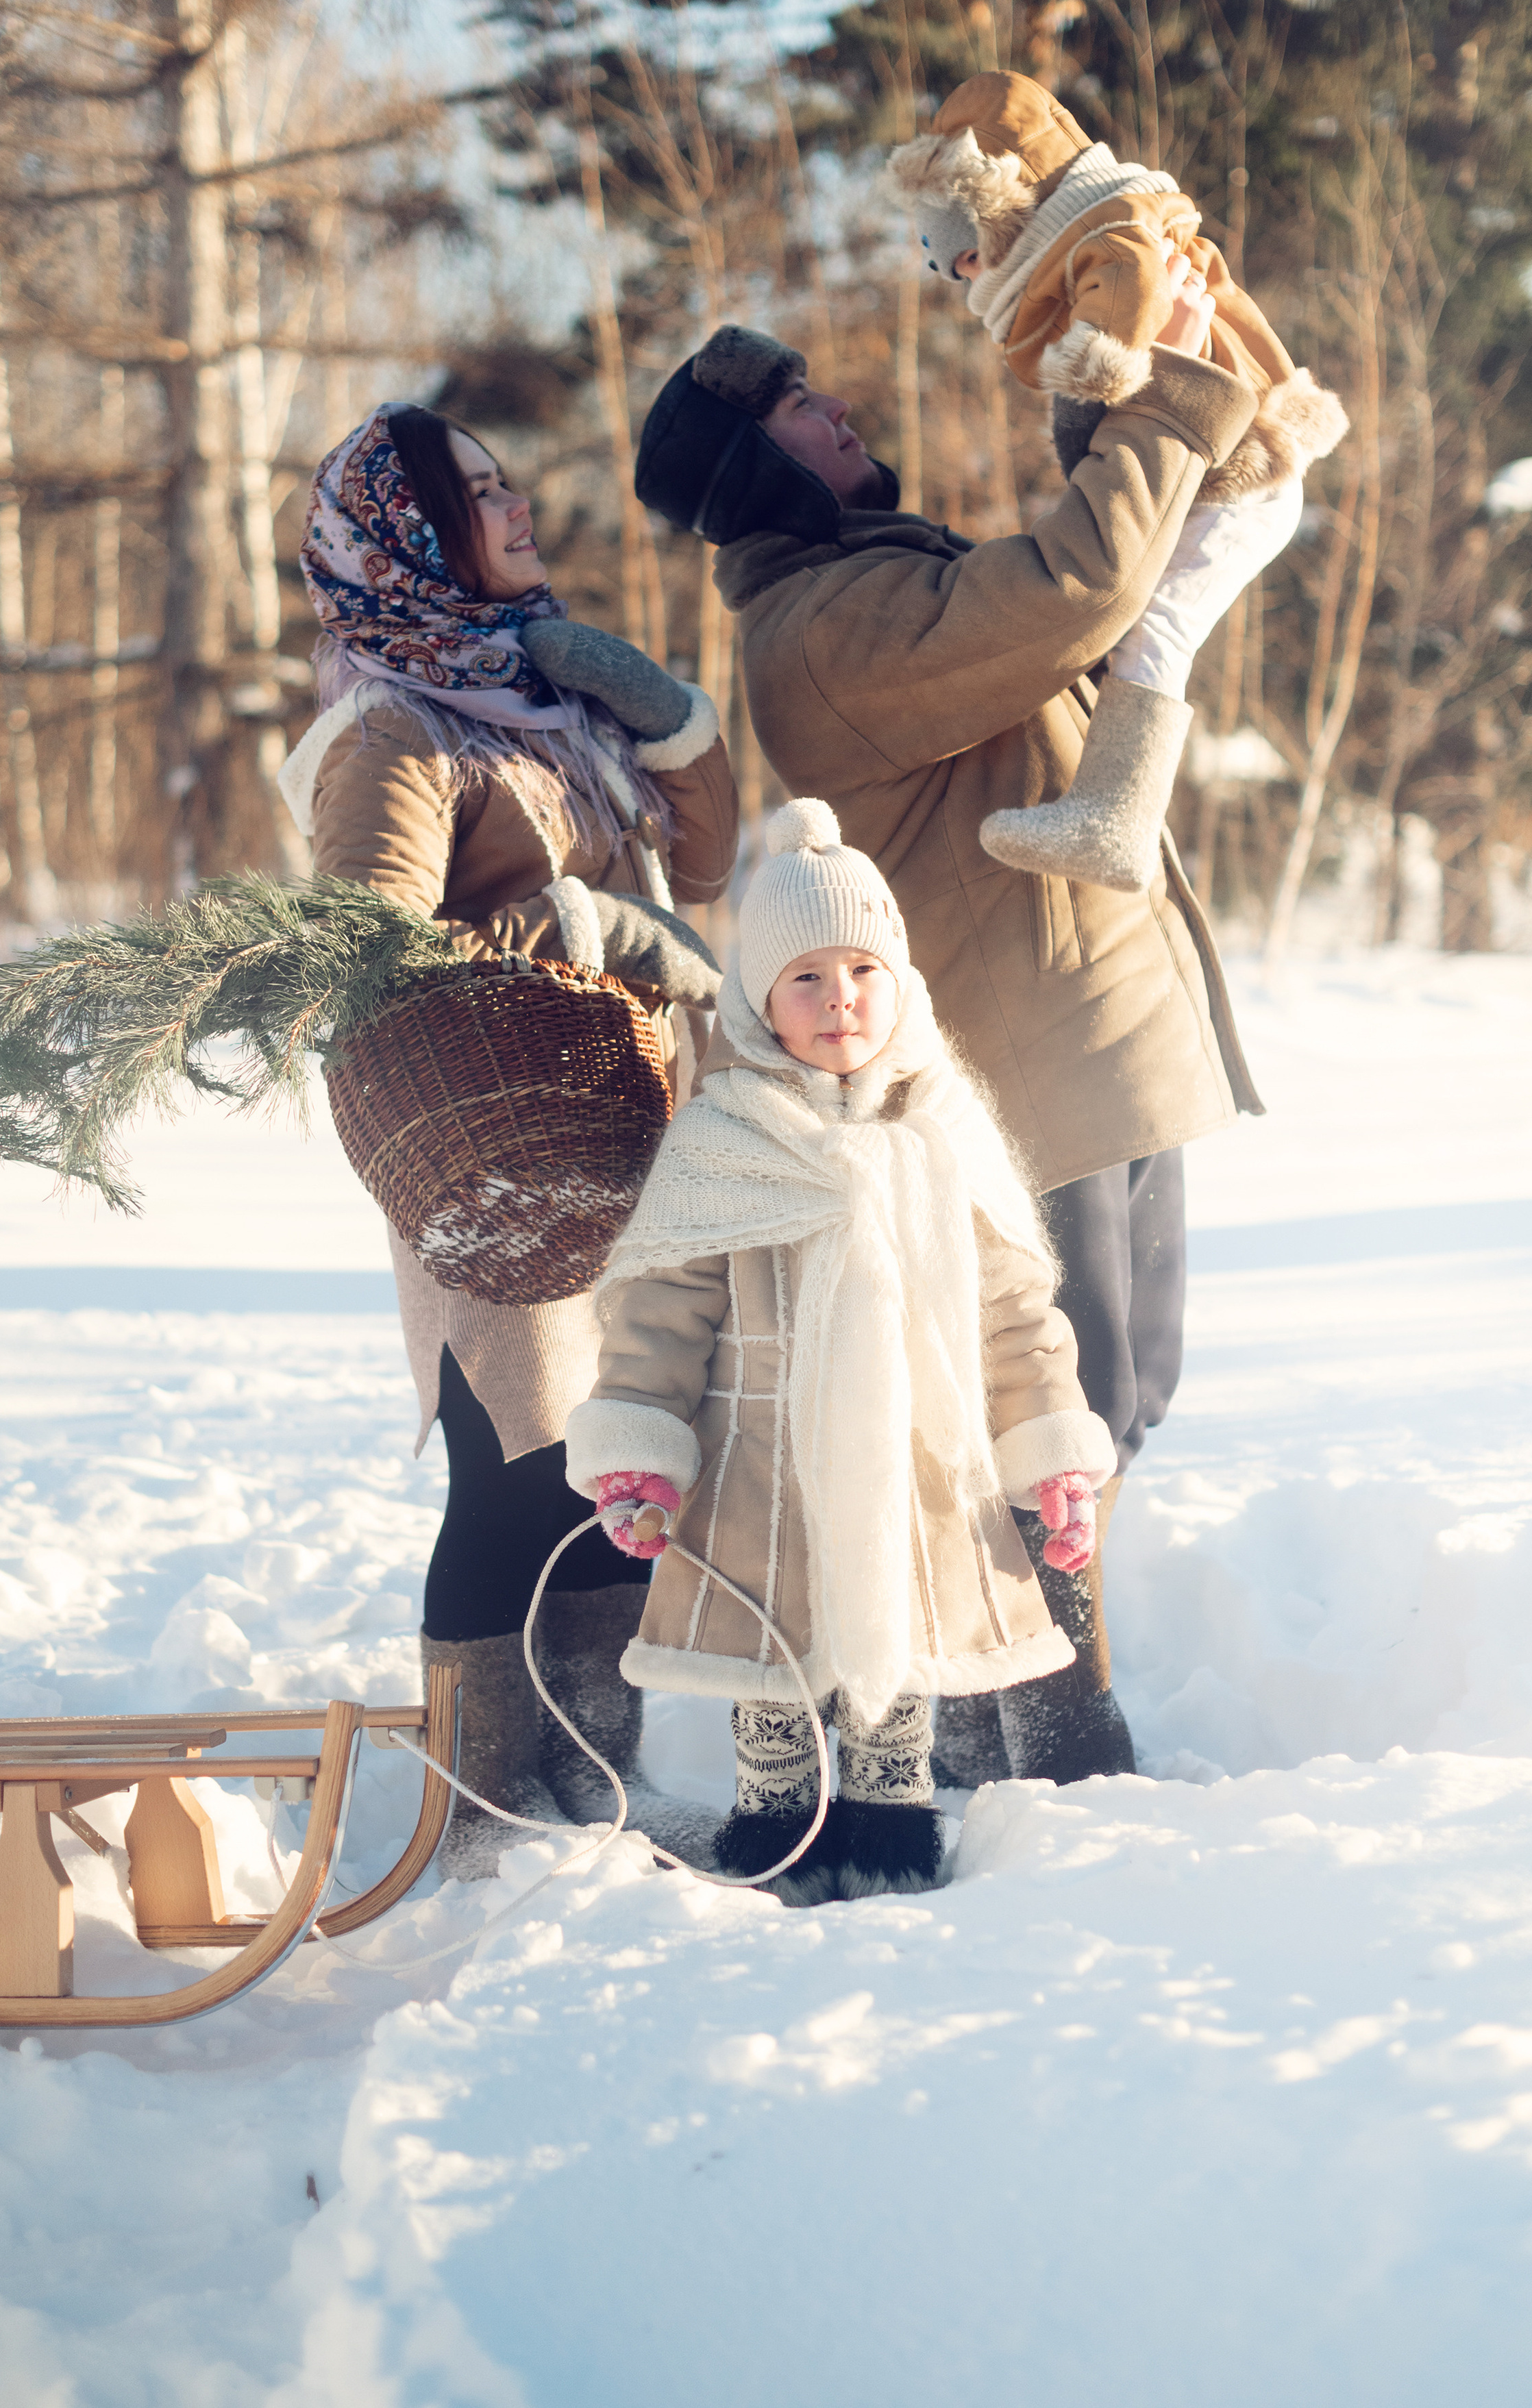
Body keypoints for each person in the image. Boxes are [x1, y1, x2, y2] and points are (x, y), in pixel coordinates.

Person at [633, 293, 1263, 1796]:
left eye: (815, 390)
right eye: (792, 408)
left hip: (1101, 1028)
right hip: (1035, 1058)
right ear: (750, 471)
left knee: (1124, 1393)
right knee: (1057, 1407)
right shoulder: (822, 631)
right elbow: (1065, 592)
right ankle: (1040, 1732)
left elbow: (1074, 630)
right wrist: (1164, 408)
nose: (831, 408)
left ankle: (1006, 1708)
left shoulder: (870, 577)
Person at [276, 401, 738, 1875]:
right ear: (409, 540)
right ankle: (475, 1796)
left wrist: (667, 719)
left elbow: (710, 863)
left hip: (632, 1130)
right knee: (515, 1470)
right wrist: (572, 924)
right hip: (494, 1142)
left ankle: (586, 1767)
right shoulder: (394, 729)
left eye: (504, 474)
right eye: (471, 492)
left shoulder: (540, 694)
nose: (512, 500)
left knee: (616, 1455)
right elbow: (367, 948)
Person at [563, 802, 1116, 1902]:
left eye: (863, 968)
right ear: (762, 1002)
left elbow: (1013, 1310)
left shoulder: (945, 1130)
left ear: (898, 981)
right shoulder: (724, 1139)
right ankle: (775, 1817)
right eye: (806, 978)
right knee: (774, 1645)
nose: (840, 998)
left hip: (914, 1452)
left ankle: (888, 1814)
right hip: (761, 1456)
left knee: (896, 1632)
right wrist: (638, 1447)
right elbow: (662, 1314)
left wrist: (1048, 1447)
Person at [885, 70, 1345, 891]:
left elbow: (1129, 297)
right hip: (1224, 473)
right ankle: (1099, 791)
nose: (957, 279)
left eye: (959, 254)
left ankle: (1115, 819)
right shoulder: (1092, 234)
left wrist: (1098, 373)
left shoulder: (1112, 234)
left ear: (1000, 217)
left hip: (1242, 483)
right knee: (1133, 615)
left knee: (1156, 626)